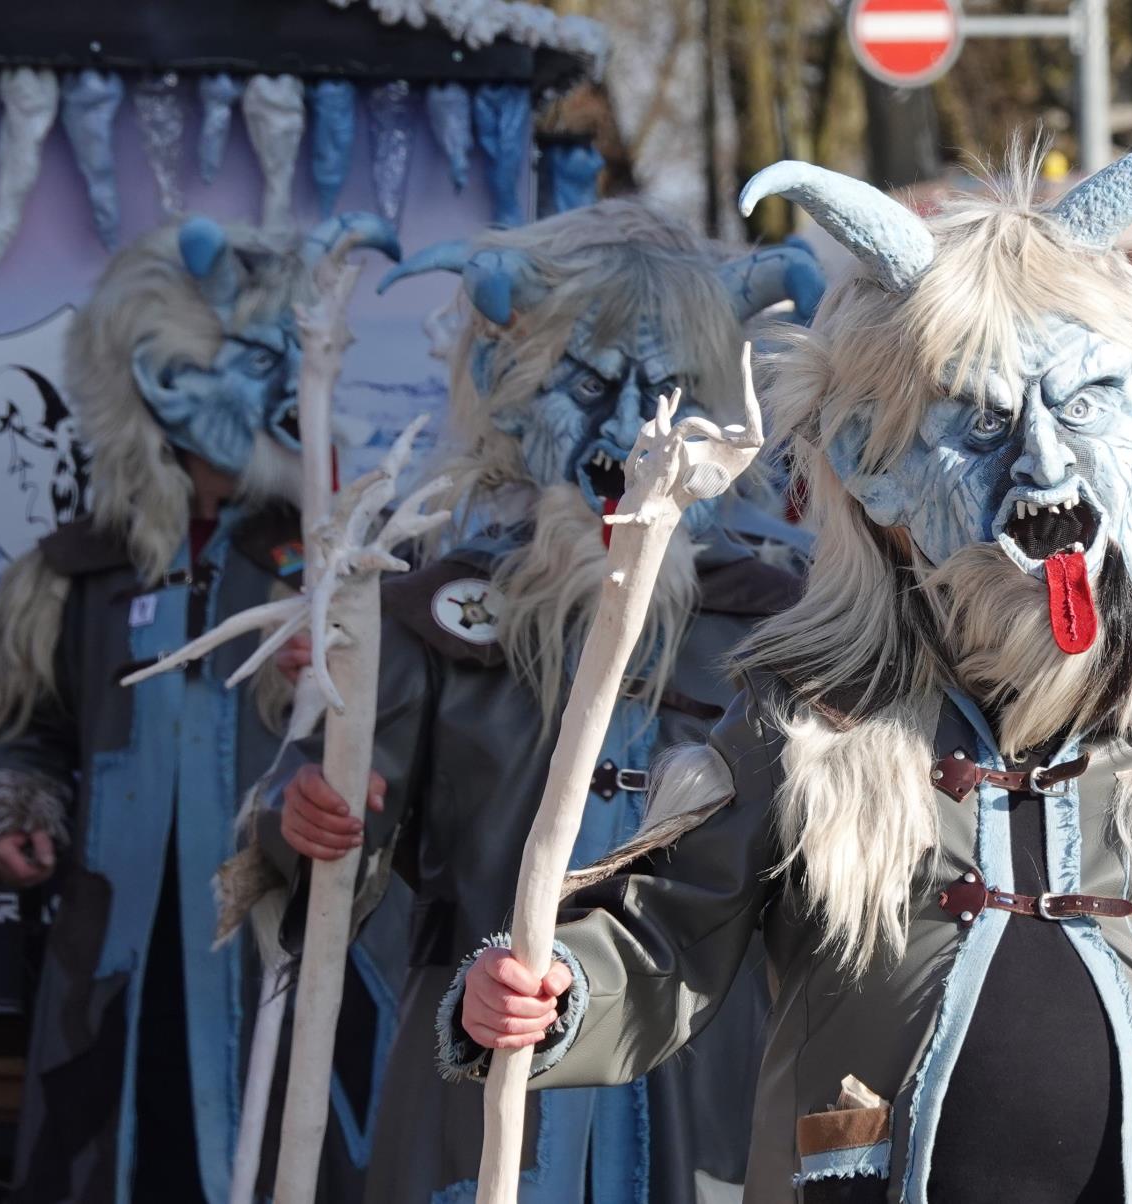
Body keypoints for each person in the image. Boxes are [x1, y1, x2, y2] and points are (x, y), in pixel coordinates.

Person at [445, 132, 1132, 1202]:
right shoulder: (812, 715)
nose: (1043, 464)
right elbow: (672, 939)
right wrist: (554, 989)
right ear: (873, 463)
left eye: (1084, 402)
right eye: (983, 421)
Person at [261, 202, 818, 1204]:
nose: (630, 428)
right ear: (512, 395)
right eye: (590, 383)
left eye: (668, 389)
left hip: (702, 1071)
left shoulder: (778, 630)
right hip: (471, 1056)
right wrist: (300, 816)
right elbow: (333, 830)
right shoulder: (427, 613)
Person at [0, 214, 401, 1202]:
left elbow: (397, 750)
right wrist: (15, 805)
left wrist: (337, 771)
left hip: (274, 954)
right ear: (153, 378)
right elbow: (27, 728)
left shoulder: (339, 564)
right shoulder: (76, 571)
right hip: (112, 965)